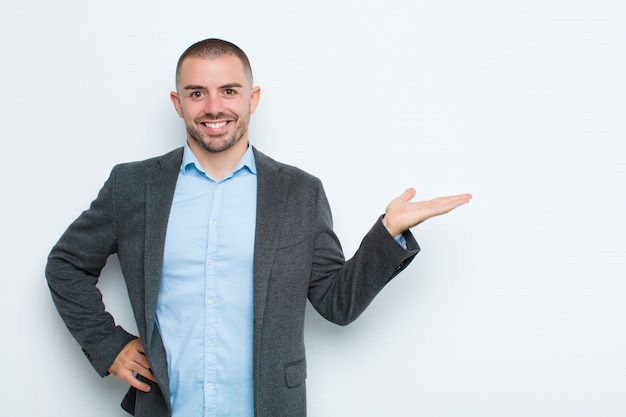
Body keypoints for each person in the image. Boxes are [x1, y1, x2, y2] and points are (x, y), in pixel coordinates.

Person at [46, 38, 471, 417]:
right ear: (178, 103)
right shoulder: (134, 186)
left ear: (253, 98)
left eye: (229, 91)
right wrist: (109, 345)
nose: (214, 107)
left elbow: (335, 303)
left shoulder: (299, 192)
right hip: (166, 407)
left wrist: (388, 232)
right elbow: (66, 265)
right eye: (198, 93)